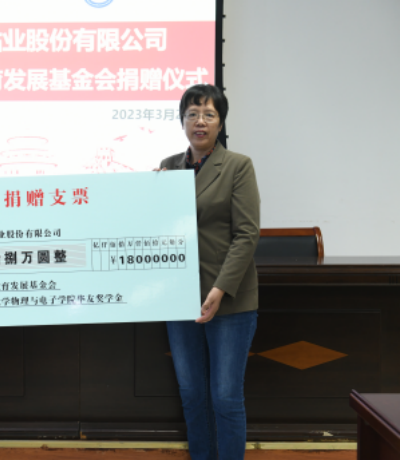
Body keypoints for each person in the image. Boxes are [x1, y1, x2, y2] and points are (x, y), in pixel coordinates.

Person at [156, 85, 261, 460]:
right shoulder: (168, 167)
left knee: (226, 396)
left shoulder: (238, 166)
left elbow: (247, 234)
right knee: (191, 393)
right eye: (192, 114)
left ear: (220, 122)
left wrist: (219, 289)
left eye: (209, 114)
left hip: (228, 299)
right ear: (182, 121)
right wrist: (150, 197)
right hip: (180, 297)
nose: (199, 122)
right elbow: (159, 230)